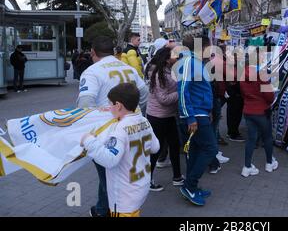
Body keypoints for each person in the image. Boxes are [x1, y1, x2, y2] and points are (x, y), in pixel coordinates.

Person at [77, 36, 149, 217]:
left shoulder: (92, 71)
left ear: (92, 52)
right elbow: (144, 93)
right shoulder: (128, 68)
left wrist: (89, 130)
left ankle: (104, 211)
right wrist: (136, 113)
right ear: (114, 52)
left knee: (107, 174)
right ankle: (108, 208)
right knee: (118, 173)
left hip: (108, 133)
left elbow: (85, 104)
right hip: (133, 127)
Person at [81, 83, 159, 217]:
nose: (109, 107)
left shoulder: (120, 129)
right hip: (140, 186)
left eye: (110, 104)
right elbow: (155, 147)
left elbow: (109, 159)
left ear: (118, 105)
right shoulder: (143, 121)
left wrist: (88, 141)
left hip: (123, 195)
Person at [177, 35, 217, 206]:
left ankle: (190, 186)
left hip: (201, 113)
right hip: (195, 115)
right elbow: (183, 90)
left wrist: (208, 111)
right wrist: (190, 117)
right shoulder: (188, 62)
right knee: (210, 148)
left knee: (195, 150)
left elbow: (200, 90)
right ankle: (190, 186)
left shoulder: (197, 62)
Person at [146, 47, 184, 191]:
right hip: (158, 117)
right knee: (156, 149)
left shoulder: (167, 70)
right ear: (167, 59)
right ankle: (147, 180)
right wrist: (180, 92)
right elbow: (163, 99)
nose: (177, 58)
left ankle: (177, 177)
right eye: (175, 56)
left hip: (168, 115)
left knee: (174, 145)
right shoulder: (158, 73)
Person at [239, 51, 278, 177]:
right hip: (262, 111)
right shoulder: (261, 75)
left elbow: (243, 94)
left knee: (251, 139)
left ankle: (247, 166)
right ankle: (269, 163)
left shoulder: (242, 75)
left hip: (248, 110)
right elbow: (270, 97)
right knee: (267, 138)